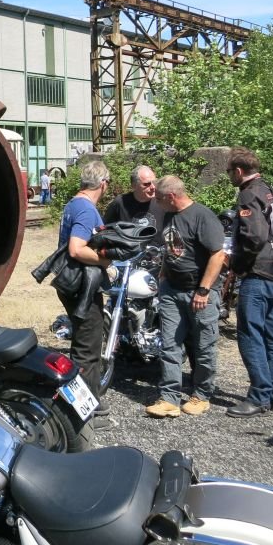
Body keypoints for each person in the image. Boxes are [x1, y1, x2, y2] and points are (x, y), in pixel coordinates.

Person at [144, 176, 225, 418]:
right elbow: (171, 248)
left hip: (199, 292)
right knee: (169, 344)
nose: (156, 202)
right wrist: (163, 273)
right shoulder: (169, 214)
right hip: (172, 290)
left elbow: (218, 255)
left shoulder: (202, 216)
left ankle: (202, 395)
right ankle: (169, 398)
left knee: (204, 346)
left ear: (171, 196)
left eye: (159, 198)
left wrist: (204, 290)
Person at [225, 146, 273, 417]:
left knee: (250, 334)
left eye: (229, 171)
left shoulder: (248, 194)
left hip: (258, 273)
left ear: (239, 171)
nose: (229, 175)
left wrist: (237, 266)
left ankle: (259, 395)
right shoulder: (268, 190)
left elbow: (255, 236)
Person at [56, 159, 113, 426]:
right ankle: (85, 413)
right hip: (82, 286)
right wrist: (105, 261)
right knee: (87, 350)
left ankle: (85, 403)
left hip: (73, 284)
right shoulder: (86, 209)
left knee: (83, 343)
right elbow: (76, 248)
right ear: (103, 183)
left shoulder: (73, 204)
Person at [104, 164, 165, 229]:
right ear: (134, 185)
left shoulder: (162, 201)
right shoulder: (120, 203)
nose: (153, 187)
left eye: (154, 182)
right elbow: (106, 228)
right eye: (147, 184)